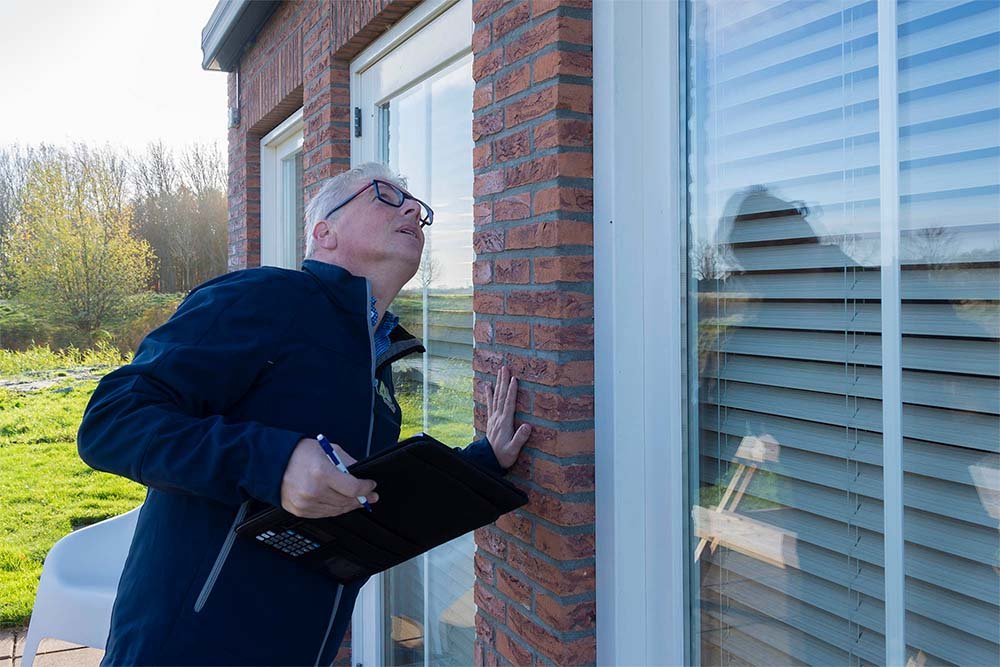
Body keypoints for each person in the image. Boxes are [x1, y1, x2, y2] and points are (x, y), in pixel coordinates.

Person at [77, 162, 532, 666]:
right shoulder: (264, 297)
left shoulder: (376, 365)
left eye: (417, 209)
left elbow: (372, 496)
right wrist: (275, 463)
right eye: (384, 195)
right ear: (324, 232)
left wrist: (485, 461)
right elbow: (112, 420)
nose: (411, 210)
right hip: (186, 648)